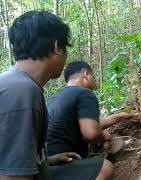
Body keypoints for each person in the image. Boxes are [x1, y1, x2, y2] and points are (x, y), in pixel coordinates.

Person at [0, 10, 79, 180]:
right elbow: (11, 177)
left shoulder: (17, 84)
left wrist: (45, 161)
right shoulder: (21, 92)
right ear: (57, 47)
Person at [46, 61, 138, 179]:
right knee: (105, 167)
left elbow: (83, 125)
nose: (95, 80)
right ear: (85, 74)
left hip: (46, 165)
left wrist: (118, 118)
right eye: (94, 77)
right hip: (60, 165)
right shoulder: (85, 93)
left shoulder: (55, 98)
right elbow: (91, 133)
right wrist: (105, 136)